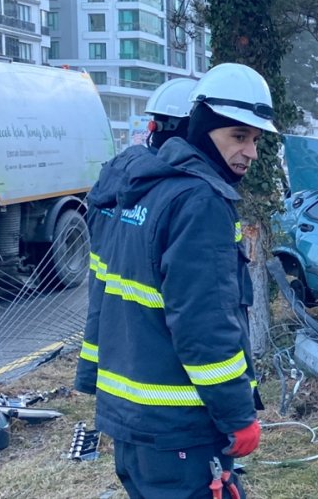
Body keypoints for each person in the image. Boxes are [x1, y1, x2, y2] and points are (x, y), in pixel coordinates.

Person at [76, 63, 275, 498]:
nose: (251, 153)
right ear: (203, 130)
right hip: (181, 426)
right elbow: (205, 325)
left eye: (256, 140)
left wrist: (93, 377)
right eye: (238, 137)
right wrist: (238, 415)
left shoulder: (139, 188)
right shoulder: (198, 201)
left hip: (134, 421)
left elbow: (104, 299)